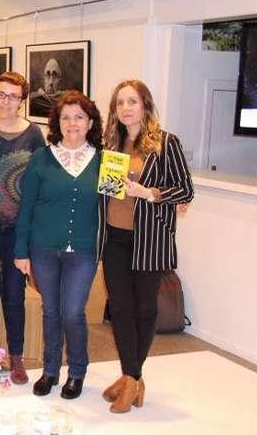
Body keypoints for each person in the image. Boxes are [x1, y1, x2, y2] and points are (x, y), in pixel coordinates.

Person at [98, 79, 194, 413]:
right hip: (115, 238)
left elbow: (185, 191)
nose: (125, 108)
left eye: (132, 102)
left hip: (149, 240)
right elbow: (106, 191)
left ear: (145, 106)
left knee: (144, 310)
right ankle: (131, 378)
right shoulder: (111, 144)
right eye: (120, 103)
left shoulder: (166, 143)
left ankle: (131, 378)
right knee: (120, 309)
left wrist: (149, 193)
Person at [14, 90, 103, 400]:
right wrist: (21, 251)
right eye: (66, 117)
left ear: (90, 121)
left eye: (79, 116)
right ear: (57, 122)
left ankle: (77, 372)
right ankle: (51, 370)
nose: (72, 123)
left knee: (73, 312)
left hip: (83, 249)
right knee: (51, 310)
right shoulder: (42, 157)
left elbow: (116, 206)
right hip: (43, 248)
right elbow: (26, 207)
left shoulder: (105, 160)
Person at [0, 72, 45, 386]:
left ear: (23, 100)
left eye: (14, 96)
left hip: (19, 228)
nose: (6, 101)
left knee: (14, 293)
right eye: (1, 94)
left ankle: (16, 355)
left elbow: (40, 182)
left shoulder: (32, 135)